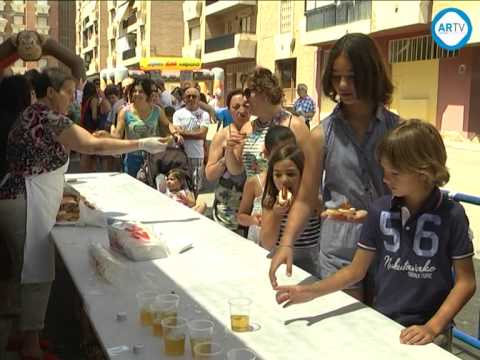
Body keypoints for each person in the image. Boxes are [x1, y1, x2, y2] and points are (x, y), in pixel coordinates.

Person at [0, 67, 168, 360]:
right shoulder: (47, 116)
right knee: (37, 271)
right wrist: (142, 143)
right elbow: (92, 145)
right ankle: (30, 347)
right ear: (50, 93)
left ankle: (23, 334)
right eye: (68, 92)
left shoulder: (33, 114)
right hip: (26, 201)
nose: (73, 99)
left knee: (24, 271)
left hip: (21, 198)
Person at [275, 119, 476, 349]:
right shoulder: (379, 210)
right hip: (384, 324)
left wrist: (433, 327)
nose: (385, 179)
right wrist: (310, 291)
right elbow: (355, 270)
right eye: (384, 170)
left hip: (432, 334)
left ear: (424, 171)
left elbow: (466, 282)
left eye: (395, 173)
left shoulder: (452, 214)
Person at [269, 33, 399, 301]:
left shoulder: (396, 130)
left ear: (371, 74)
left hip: (391, 252)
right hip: (339, 252)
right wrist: (286, 242)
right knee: (346, 334)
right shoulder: (320, 136)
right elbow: (305, 199)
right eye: (337, 77)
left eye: (352, 77)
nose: (343, 85)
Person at [225, 67, 311, 182]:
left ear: (264, 92)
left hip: (283, 198)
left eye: (247, 92)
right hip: (253, 198)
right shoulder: (248, 128)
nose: (244, 100)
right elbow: (236, 169)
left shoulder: (294, 126)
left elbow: (310, 172)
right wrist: (229, 150)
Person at [262, 143, 321, 275]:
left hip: (310, 267)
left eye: (290, 174)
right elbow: (267, 243)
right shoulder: (270, 201)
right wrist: (276, 216)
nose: (284, 180)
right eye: (277, 175)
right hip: (280, 266)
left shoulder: (313, 201)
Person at [237, 126, 297, 244]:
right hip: (259, 246)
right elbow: (240, 217)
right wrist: (253, 220)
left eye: (289, 151)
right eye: (278, 153)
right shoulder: (255, 182)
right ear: (266, 154)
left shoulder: (299, 183)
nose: (284, 156)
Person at [111, 77, 176, 177]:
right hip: (132, 158)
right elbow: (118, 135)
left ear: (147, 94)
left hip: (153, 157)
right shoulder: (124, 112)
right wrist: (110, 135)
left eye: (141, 91)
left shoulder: (157, 110)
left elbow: (167, 124)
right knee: (132, 188)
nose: (137, 94)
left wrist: (175, 133)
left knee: (151, 188)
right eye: (134, 91)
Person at [206, 89, 250, 233]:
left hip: (252, 206)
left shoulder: (258, 132)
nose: (241, 111)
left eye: (246, 105)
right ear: (229, 110)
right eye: (236, 107)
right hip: (227, 208)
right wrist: (226, 158)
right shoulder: (222, 135)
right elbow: (210, 174)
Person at [172, 87, 210, 195]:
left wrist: (185, 133)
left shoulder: (204, 114)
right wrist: (195, 133)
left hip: (197, 156)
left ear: (199, 99)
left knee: (196, 187)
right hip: (180, 155)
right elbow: (177, 132)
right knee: (180, 187)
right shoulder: (178, 114)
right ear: (184, 98)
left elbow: (202, 134)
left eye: (194, 96)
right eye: (188, 96)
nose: (191, 98)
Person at [79, 80, 111, 172]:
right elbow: (94, 116)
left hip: (85, 128)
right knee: (92, 154)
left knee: (86, 154)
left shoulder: (85, 99)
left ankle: (87, 172)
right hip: (91, 129)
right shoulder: (94, 99)